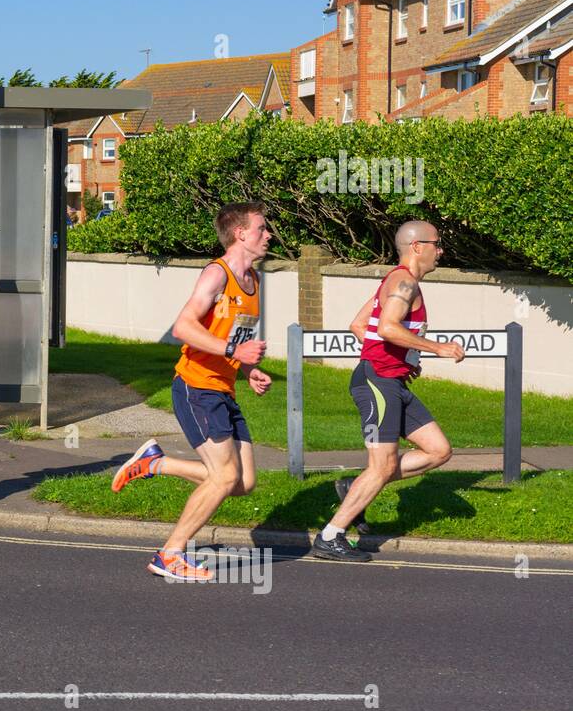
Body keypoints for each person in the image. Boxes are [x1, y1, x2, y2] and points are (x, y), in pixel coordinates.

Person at [110, 201, 274, 582]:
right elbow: (183, 327)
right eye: (262, 228)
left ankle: (155, 464)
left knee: (243, 482)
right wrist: (236, 352)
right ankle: (170, 554)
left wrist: (248, 369)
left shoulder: (254, 280)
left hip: (223, 389)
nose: (268, 235)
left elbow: (232, 336)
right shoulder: (217, 275)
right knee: (222, 477)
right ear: (241, 233)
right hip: (196, 386)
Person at [313, 220, 465, 561]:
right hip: (377, 383)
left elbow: (359, 325)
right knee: (380, 467)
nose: (440, 251)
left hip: (388, 379)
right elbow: (387, 327)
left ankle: (355, 488)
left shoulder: (399, 282)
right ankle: (330, 536)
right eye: (436, 244)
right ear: (416, 247)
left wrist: (400, 361)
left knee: (438, 450)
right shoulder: (403, 282)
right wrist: (437, 348)